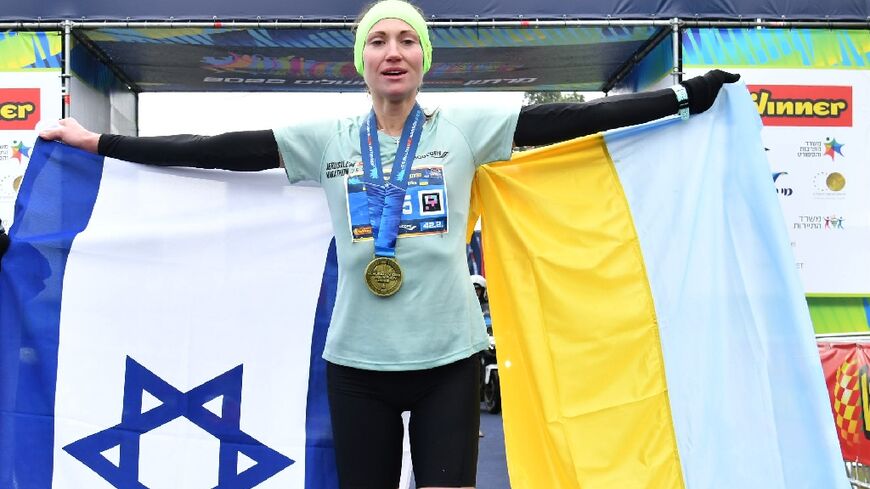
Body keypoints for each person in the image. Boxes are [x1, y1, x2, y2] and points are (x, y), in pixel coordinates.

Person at [39, 1, 739, 487]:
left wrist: (681, 98)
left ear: (423, 59)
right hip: (357, 364)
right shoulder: (328, 141)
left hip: (449, 360)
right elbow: (218, 149)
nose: (393, 52)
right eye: (379, 41)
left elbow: (564, 121)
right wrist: (102, 142)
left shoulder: (463, 128)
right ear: (361, 62)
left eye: (407, 41)